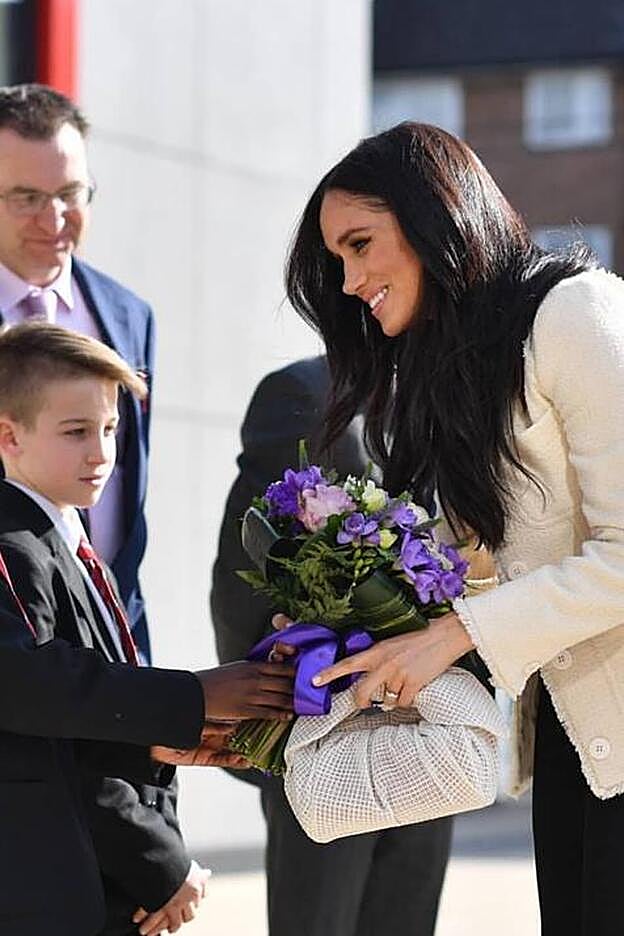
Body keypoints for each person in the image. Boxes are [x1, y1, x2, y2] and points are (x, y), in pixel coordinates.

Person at [282, 120, 624, 935]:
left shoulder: (577, 312)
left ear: (433, 216)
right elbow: (491, 567)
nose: (353, 277)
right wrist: (343, 627)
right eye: (338, 261)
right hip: (583, 745)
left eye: (361, 244)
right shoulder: (469, 374)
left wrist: (451, 634)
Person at [0, 322, 294, 936]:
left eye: (110, 429)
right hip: (58, 889)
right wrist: (194, 697)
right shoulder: (13, 544)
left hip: (104, 879)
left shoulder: (64, 537)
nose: (101, 452)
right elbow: (39, 696)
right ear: (9, 436)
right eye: (75, 432)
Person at [211, 355, 455, 936]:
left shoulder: (452, 403)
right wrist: (271, 735)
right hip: (324, 738)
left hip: (429, 729)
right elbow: (246, 577)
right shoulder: (304, 393)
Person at [0, 82, 151, 659]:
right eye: (26, 197)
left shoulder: (128, 315)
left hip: (111, 642)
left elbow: (125, 508)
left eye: (71, 192)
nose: (55, 218)